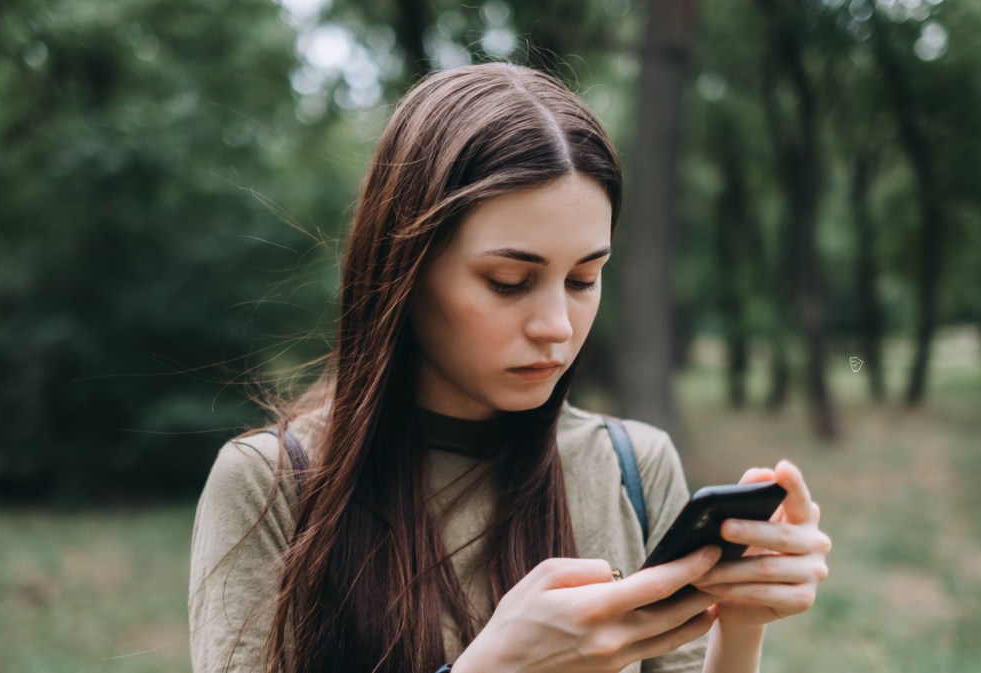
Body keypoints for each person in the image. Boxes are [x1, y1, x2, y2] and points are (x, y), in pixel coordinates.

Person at [188, 62, 831, 673]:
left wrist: (742, 624)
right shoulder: (273, 487)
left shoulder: (633, 467)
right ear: (402, 272)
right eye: (509, 281)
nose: (556, 325)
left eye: (583, 279)